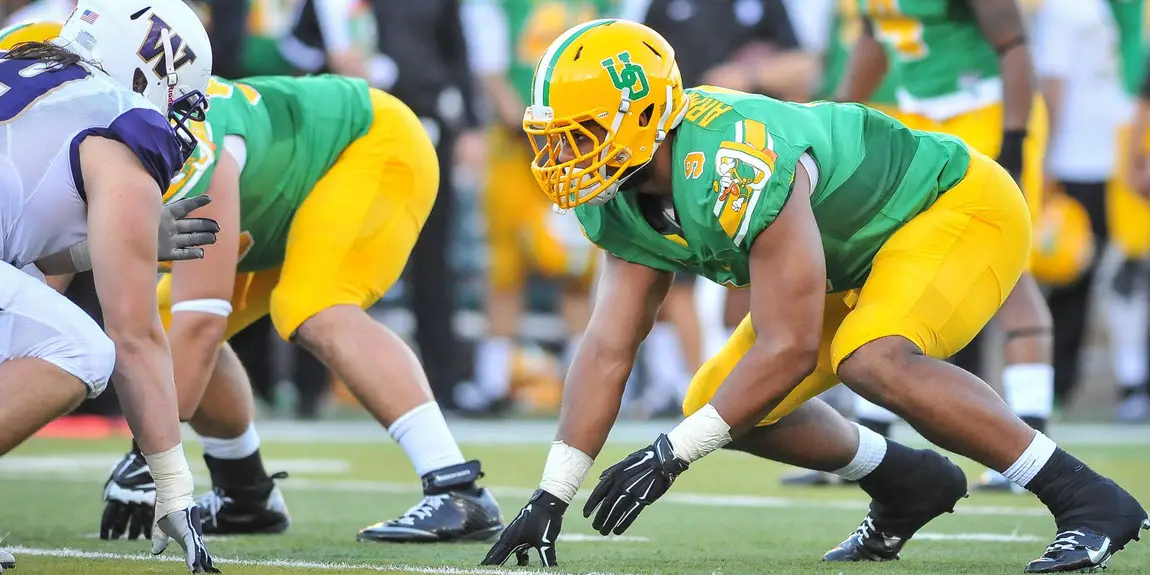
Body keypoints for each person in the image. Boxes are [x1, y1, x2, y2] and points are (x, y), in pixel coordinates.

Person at [481, 19, 1150, 573]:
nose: (563, 154)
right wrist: (550, 494)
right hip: (853, 253)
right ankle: (904, 481)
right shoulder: (621, 198)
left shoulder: (729, 160)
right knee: (717, 396)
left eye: (581, 132)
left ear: (646, 115)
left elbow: (791, 346)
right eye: (556, 136)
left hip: (952, 205)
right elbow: (606, 348)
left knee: (869, 357)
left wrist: (672, 453)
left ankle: (1088, 498)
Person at [89, 66, 503, 543]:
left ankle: (457, 486)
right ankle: (244, 494)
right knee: (165, 322)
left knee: (313, 305)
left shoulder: (194, 144)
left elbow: (203, 321)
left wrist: (151, 458)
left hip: (368, 142)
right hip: (279, 194)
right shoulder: (128, 132)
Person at [0, 0, 219, 571]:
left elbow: (19, 242)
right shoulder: (123, 122)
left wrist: (96, 248)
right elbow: (133, 335)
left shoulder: (23, 62)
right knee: (80, 349)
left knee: (25, 300)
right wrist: (172, 482)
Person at [834, 0, 1053, 494]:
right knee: (886, 259)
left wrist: (1014, 142)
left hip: (988, 113)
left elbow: (1015, 46)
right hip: (923, 121)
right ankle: (872, 442)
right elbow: (874, 37)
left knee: (1008, 272)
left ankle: (1031, 435)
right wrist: (834, 117)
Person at [455, 0, 610, 415]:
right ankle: (493, 381)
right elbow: (489, 70)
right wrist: (531, 125)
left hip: (582, 147)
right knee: (505, 269)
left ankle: (586, 383)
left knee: (578, 268)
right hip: (517, 146)